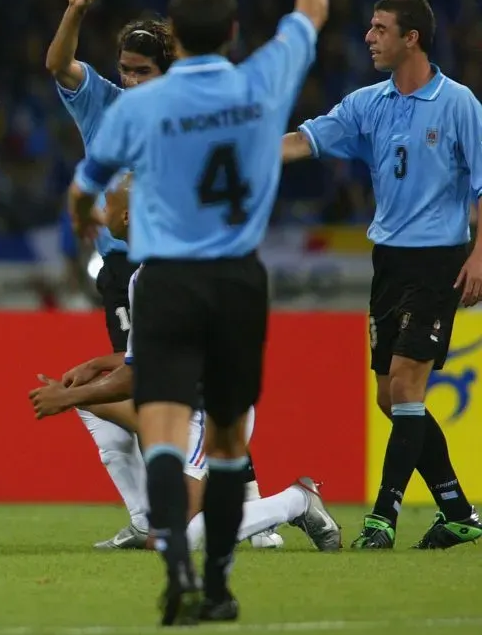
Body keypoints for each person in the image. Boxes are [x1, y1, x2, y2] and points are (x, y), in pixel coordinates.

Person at [68, 0, 329, 625]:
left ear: (174, 38)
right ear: (236, 35)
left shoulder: (143, 106)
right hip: (240, 280)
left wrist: (91, 218)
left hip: (168, 278)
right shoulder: (261, 84)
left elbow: (86, 190)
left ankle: (175, 570)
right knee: (222, 441)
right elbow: (311, 11)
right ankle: (217, 582)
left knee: (158, 428)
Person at [45, 0, 281, 551]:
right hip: (123, 270)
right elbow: (58, 64)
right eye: (124, 68)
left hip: (169, 265)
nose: (129, 79)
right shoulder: (107, 103)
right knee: (162, 392)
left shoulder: (183, 113)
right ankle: (174, 513)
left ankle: (250, 509)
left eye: (141, 71)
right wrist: (74, 10)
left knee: (163, 393)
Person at [29, 179, 341, 555]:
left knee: (177, 537)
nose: (101, 214)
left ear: (127, 216)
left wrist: (64, 397)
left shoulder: (160, 276)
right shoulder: (157, 269)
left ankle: (296, 501)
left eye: (106, 206)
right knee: (92, 405)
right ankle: (149, 519)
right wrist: (94, 366)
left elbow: (135, 377)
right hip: (185, 404)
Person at [282, 0, 482, 550]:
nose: (368, 38)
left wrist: (479, 255)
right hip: (388, 261)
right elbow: (305, 140)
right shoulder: (369, 103)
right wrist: (242, 156)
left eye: (379, 28)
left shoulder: (460, 103)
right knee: (390, 400)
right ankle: (458, 512)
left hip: (439, 259)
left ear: (410, 37)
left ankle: (382, 517)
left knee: (408, 384)